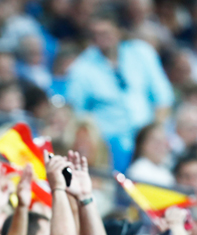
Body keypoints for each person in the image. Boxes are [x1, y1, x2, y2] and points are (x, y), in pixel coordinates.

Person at [64, 10, 174, 171]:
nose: (101, 38)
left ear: (118, 31)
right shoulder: (81, 69)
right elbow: (78, 115)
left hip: (145, 139)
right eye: (96, 34)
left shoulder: (142, 53)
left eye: (106, 33)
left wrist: (153, 135)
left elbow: (163, 99)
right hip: (107, 145)